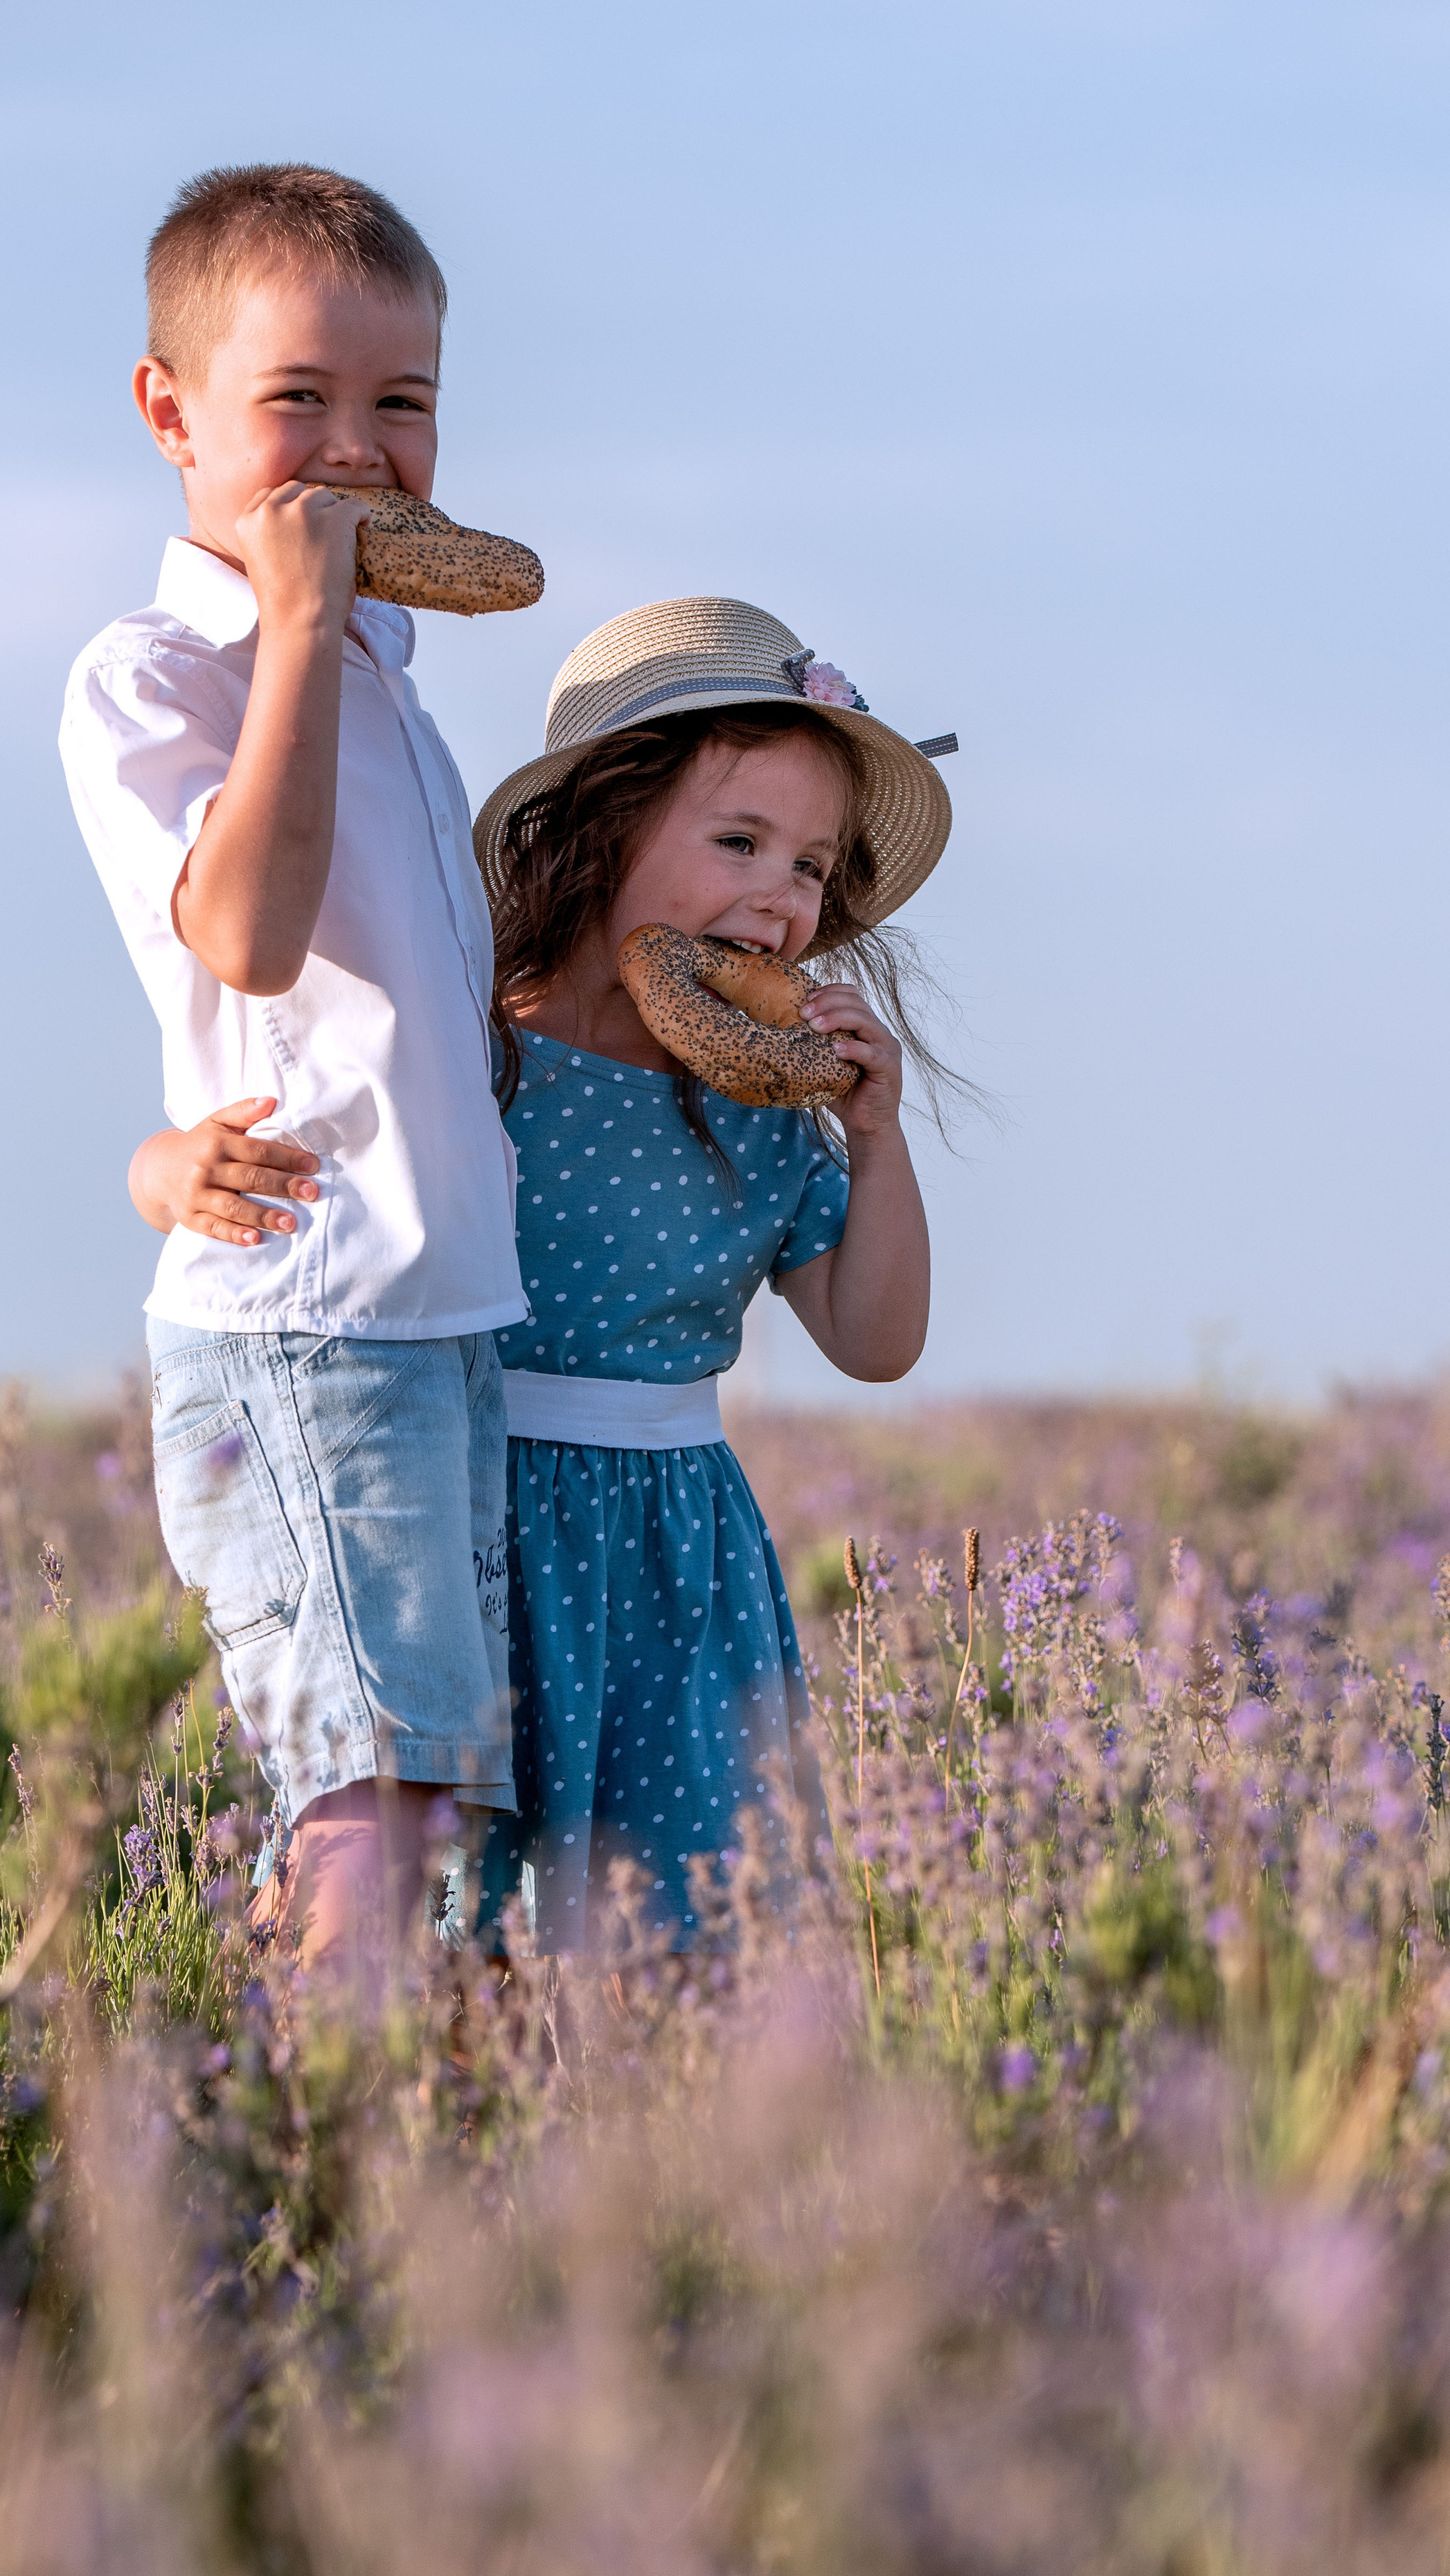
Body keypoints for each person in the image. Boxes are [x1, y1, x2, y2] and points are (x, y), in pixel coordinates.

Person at [130, 596, 958, 1952]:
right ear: (600, 830)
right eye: (738, 840)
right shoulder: (465, 1051)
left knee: (680, 1923)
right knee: (458, 1909)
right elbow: (253, 1145)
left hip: (669, 1560)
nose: (779, 894)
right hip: (455, 1511)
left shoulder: (763, 1114)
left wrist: (874, 1139)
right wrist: (169, 1170)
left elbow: (875, 1340)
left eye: (812, 867)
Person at [60, 164, 528, 1983]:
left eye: (402, 405)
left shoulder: (392, 671)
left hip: (445, 1315)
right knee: (371, 1785)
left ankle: (363, 2131)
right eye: (299, 403)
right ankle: (326, 2169)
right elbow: (244, 939)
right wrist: (299, 632)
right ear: (170, 413)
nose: (358, 447)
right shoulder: (157, 671)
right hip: (307, 1327)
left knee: (432, 1787)